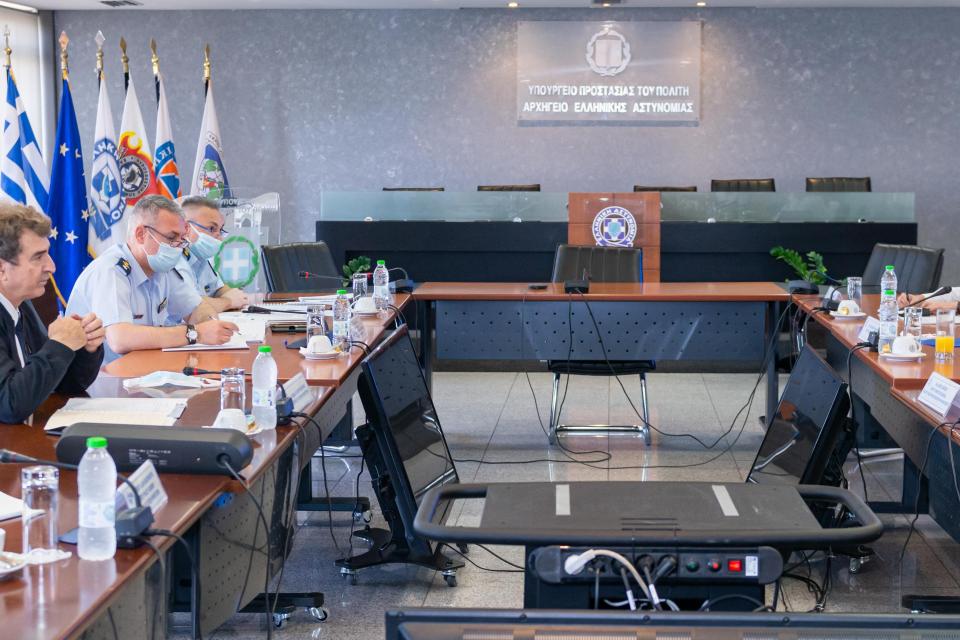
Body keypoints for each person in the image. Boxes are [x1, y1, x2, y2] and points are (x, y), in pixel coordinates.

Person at [67, 195, 238, 362]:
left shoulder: (162, 268)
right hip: (104, 375)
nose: (178, 248)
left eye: (181, 240)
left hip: (143, 367)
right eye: (171, 238)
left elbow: (195, 309)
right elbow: (120, 339)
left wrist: (210, 324)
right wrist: (195, 333)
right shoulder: (111, 270)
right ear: (141, 234)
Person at [0, 203, 104, 423]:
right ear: (2, 270)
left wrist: (85, 348)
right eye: (38, 257)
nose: (52, 267)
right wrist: (59, 344)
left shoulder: (23, 305)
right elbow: (9, 404)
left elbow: (63, 385)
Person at [175, 195, 248, 311]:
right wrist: (228, 302)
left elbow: (219, 288)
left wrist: (235, 296)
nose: (219, 237)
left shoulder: (201, 258)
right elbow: (190, 305)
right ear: (186, 228)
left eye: (220, 230)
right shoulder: (174, 259)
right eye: (212, 228)